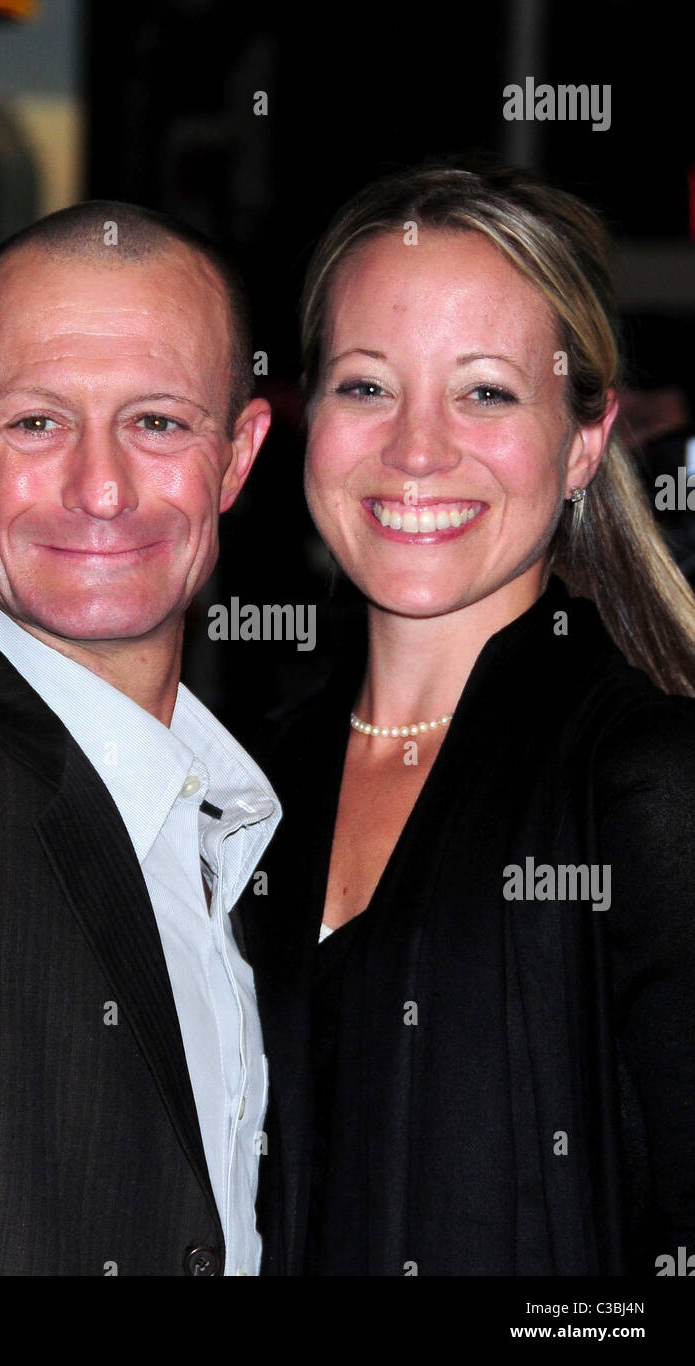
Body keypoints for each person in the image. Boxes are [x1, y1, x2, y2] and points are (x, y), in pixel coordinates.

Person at [239, 162, 695, 1276]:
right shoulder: (250, 784)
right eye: (365, 386)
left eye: (485, 392)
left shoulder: (648, 781)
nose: (414, 450)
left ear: (583, 440)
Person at [0, 201, 279, 1276]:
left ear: (237, 457)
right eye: (37, 422)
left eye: (157, 422)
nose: (102, 488)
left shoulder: (247, 834)